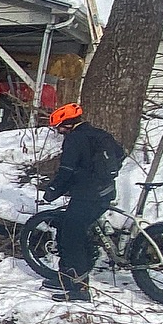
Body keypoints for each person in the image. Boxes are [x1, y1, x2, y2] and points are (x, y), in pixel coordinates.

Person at [40, 102, 126, 301]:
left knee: (72, 236)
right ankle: (65, 277)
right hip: (104, 192)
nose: (59, 131)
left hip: (88, 195)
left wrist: (52, 191)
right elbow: (120, 154)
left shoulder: (74, 139)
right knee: (70, 227)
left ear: (68, 124)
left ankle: (79, 288)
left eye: (59, 127)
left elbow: (66, 170)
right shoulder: (99, 134)